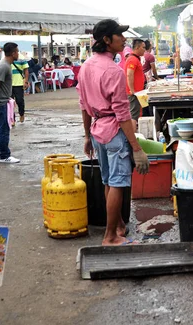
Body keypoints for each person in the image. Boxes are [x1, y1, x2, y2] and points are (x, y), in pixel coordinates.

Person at [77, 19, 149, 246]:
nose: (124, 39)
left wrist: (88, 135)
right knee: (117, 183)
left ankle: (117, 226)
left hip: (98, 130)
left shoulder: (87, 66)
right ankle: (110, 237)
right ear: (107, 40)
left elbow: (83, 103)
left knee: (109, 181)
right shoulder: (113, 71)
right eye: (119, 35)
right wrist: (137, 148)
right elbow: (122, 113)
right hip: (114, 131)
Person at [0, 43, 20, 163]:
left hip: (3, 101)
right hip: (1, 102)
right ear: (12, 53)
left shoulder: (6, 65)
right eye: (17, 51)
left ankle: (0, 153)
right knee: (4, 129)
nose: (18, 54)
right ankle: (5, 155)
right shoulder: (4, 66)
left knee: (1, 128)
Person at [125, 39, 146, 123]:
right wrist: (132, 90)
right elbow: (129, 74)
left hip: (138, 92)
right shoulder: (132, 59)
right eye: (143, 47)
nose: (145, 49)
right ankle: (133, 135)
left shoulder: (136, 59)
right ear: (137, 47)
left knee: (137, 114)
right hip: (134, 93)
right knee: (134, 116)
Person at [10, 55, 29, 123]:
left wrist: (26, 81)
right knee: (10, 103)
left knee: (20, 101)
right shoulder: (6, 58)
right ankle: (12, 119)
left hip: (19, 83)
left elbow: (26, 70)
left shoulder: (21, 58)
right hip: (9, 84)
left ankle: (21, 114)